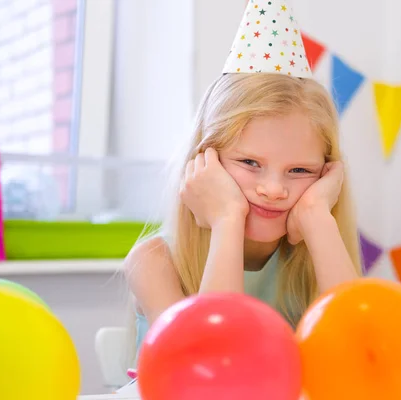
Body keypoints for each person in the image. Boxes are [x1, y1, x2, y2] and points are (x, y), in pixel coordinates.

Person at [123, 0, 363, 361]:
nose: (273, 189)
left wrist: (317, 217)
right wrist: (226, 219)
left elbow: (360, 355)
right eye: (250, 162)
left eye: (299, 171)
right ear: (205, 161)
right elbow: (214, 366)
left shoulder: (313, 254)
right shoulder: (155, 262)